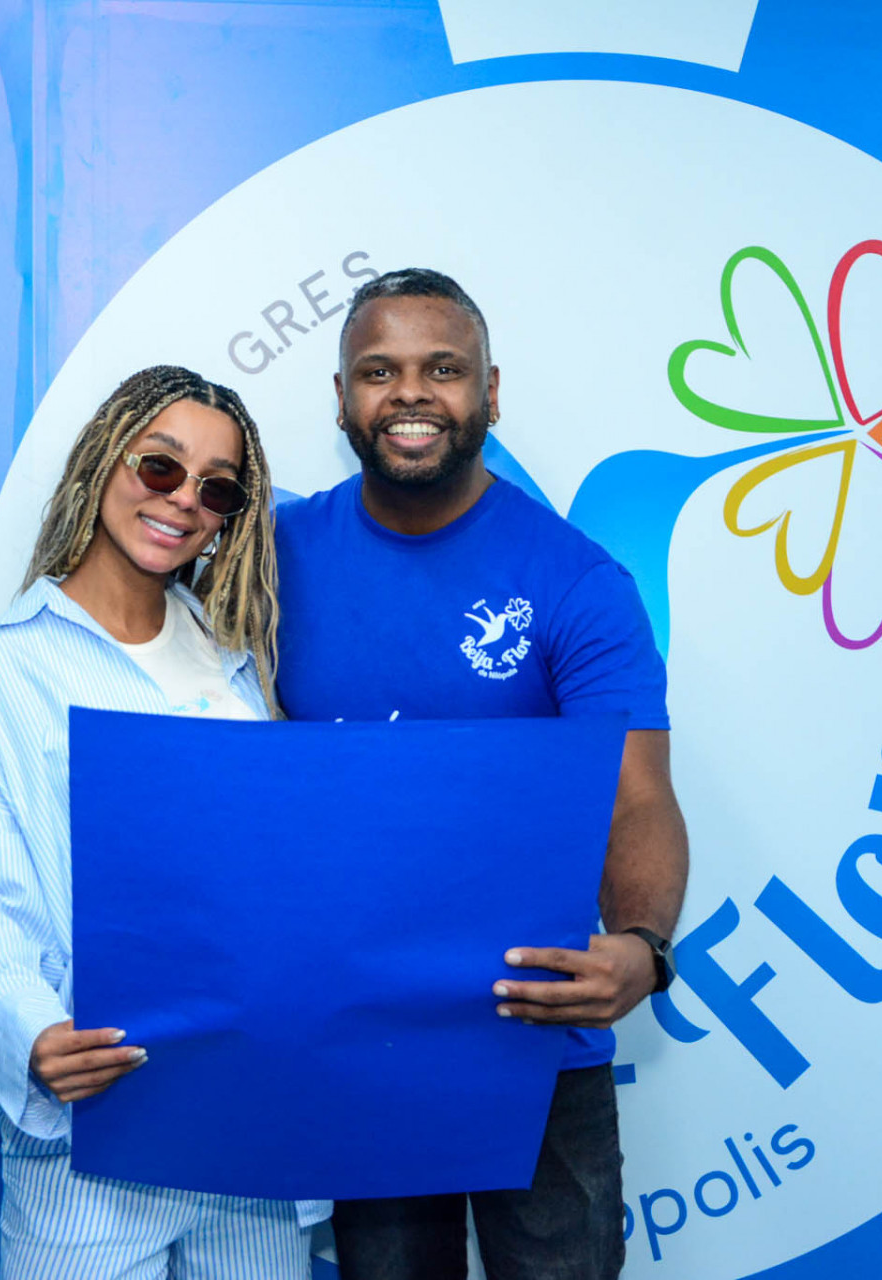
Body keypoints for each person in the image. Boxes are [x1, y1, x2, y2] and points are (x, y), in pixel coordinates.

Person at [275, 269, 689, 1280]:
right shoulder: (273, 558)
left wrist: (643, 944)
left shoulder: (575, 580)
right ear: (340, 399)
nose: (409, 394)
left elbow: (634, 793)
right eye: (378, 370)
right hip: (363, 1024)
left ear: (490, 393)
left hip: (538, 1029)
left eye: (442, 369)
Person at [0, 365, 327, 1278]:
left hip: (248, 1139)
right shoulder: (4, 673)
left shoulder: (243, 672)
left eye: (216, 487)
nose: (184, 500)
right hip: (92, 1149)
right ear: (106, 461)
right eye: (161, 467)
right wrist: (30, 1033)